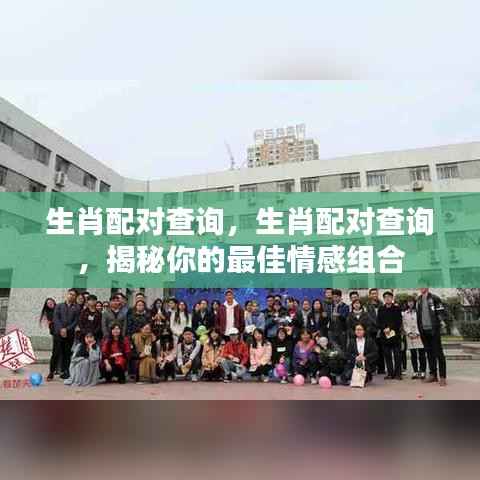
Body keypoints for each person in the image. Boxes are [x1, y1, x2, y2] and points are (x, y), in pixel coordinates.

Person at [416, 288, 447, 386]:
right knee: (429, 354)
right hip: (423, 331)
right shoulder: (418, 300)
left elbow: (441, 312)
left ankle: (442, 377)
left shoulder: (435, 298)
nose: (422, 287)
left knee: (439, 353)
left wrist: (441, 322)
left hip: (434, 330)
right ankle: (433, 375)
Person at [49, 288, 80, 381]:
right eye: (70, 294)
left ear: (75, 297)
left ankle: (65, 371)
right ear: (67, 294)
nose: (71, 296)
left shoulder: (77, 308)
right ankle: (51, 372)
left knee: (67, 353)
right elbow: (56, 318)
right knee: (55, 353)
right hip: (58, 334)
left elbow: (76, 321)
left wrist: (67, 329)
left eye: (73, 295)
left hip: (69, 334)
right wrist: (61, 329)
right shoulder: (59, 306)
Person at [377, 291, 403, 380]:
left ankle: (398, 374)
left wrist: (390, 328)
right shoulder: (381, 309)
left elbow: (399, 321)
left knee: (397, 355)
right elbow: (378, 321)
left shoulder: (397, 308)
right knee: (387, 355)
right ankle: (390, 373)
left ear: (392, 298)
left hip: (395, 335)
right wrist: (384, 328)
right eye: (385, 297)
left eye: (389, 297)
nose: (387, 298)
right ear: (384, 299)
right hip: (385, 335)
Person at [402, 296, 426, 379]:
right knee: (413, 354)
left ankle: (422, 371)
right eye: (409, 302)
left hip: (419, 335)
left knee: (421, 354)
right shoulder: (405, 313)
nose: (410, 303)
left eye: (411, 301)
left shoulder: (419, 312)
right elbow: (404, 324)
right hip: (410, 336)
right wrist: (409, 333)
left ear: (414, 302)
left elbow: (421, 323)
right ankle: (415, 371)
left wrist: (417, 333)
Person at [366, 288, 385, 375]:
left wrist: (380, 328)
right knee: (372, 350)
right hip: (372, 330)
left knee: (381, 349)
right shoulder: (367, 305)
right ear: (370, 295)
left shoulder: (381, 304)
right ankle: (373, 368)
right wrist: (377, 326)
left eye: (375, 293)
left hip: (381, 330)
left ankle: (381, 368)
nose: (374, 295)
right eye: (372, 293)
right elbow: (369, 317)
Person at [40, 298, 59, 376]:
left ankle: (59, 369)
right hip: (55, 333)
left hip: (63, 332)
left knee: (62, 352)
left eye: (51, 302)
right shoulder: (48, 313)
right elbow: (50, 323)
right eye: (48, 303)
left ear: (54, 302)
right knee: (55, 352)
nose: (50, 303)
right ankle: (53, 370)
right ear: (46, 305)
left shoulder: (59, 309)